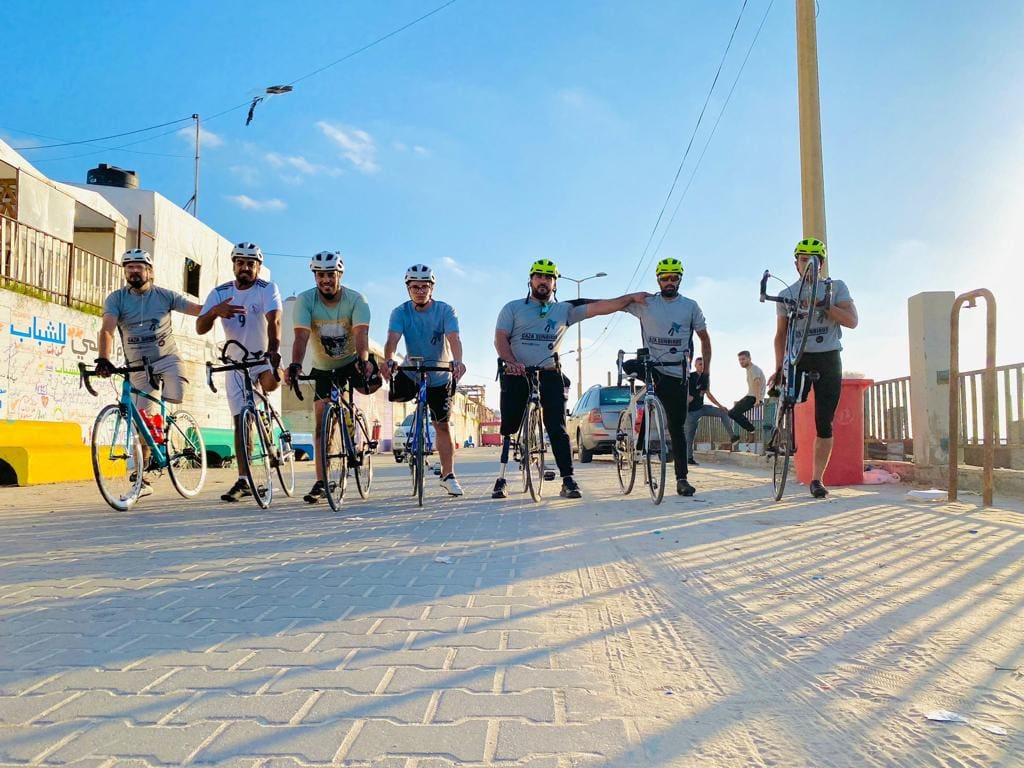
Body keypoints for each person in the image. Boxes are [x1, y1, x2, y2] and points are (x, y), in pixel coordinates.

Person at [492, 259, 648, 499]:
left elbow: (600, 307)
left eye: (548, 277)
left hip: (548, 372)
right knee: (510, 424)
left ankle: (568, 479)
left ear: (554, 283)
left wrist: (630, 298)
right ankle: (501, 477)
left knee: (557, 427)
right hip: (517, 372)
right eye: (539, 276)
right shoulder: (512, 308)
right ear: (531, 280)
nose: (543, 281)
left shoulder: (563, 310)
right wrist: (511, 362)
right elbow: (500, 338)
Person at [96, 248, 203, 496]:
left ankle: (169, 430)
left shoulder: (164, 295)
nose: (133, 271)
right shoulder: (116, 299)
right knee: (141, 421)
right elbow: (107, 329)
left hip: (167, 359)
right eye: (129, 267)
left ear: (150, 271)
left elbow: (196, 309)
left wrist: (217, 309)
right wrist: (103, 358)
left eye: (139, 266)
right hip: (137, 366)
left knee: (175, 395)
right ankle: (141, 479)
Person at [285, 250, 381, 504]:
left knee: (360, 389)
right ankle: (321, 480)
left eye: (331, 274)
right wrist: (295, 364)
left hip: (352, 360)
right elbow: (301, 336)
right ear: (315, 276)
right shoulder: (306, 301)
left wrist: (362, 358)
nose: (326, 280)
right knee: (321, 423)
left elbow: (361, 334)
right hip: (323, 367)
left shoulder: (356, 299)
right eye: (320, 275)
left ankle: (358, 434)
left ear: (340, 274)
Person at [769, 238, 858, 498]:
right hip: (799, 356)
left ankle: (817, 480)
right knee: (788, 399)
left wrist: (826, 306)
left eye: (814, 259)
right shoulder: (787, 294)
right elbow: (780, 334)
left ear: (822, 263)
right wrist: (778, 367)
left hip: (828, 356)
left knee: (824, 421)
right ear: (796, 262)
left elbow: (852, 321)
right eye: (803, 259)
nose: (808, 263)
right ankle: (779, 432)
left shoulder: (836, 288)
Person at [196, 242, 284, 502]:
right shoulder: (220, 292)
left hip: (262, 357)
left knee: (269, 385)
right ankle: (244, 479)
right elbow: (200, 327)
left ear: (258, 267)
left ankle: (268, 420)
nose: (245, 268)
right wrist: (214, 312)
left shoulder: (267, 289)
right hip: (235, 363)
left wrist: (274, 350)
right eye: (240, 263)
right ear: (234, 265)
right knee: (240, 422)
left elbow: (275, 320)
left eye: (251, 264)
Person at [623, 257, 712, 496]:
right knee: (629, 365)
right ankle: (636, 442)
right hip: (651, 366)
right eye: (665, 278)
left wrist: (706, 375)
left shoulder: (690, 306)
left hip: (676, 373)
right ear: (658, 280)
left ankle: (681, 478)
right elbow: (613, 305)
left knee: (677, 428)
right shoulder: (646, 303)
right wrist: (631, 296)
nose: (670, 282)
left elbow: (705, 339)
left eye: (674, 278)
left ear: (680, 279)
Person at [381, 264, 467, 497]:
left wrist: (458, 361)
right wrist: (388, 359)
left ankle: (448, 475)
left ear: (432, 288)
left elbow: (454, 338)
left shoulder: (445, 310)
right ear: (408, 288)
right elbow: (392, 341)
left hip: (438, 374)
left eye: (424, 286)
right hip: (411, 371)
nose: (420, 291)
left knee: (442, 424)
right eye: (415, 287)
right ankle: (413, 441)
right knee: (398, 391)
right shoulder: (400, 312)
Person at [683, 356, 737, 465]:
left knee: (723, 412)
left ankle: (733, 437)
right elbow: (681, 389)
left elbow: (708, 394)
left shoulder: (705, 377)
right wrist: (687, 397)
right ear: (695, 365)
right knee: (690, 437)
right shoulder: (690, 377)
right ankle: (689, 459)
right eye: (700, 364)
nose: (702, 367)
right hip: (691, 412)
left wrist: (720, 405)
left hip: (702, 408)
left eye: (704, 364)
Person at [728, 351, 765, 440]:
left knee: (732, 413)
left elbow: (757, 383)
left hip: (753, 397)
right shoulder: (749, 370)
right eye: (740, 360)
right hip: (751, 395)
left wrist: (757, 399)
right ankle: (751, 430)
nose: (741, 362)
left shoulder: (754, 369)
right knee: (733, 413)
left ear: (749, 358)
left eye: (743, 359)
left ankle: (751, 430)